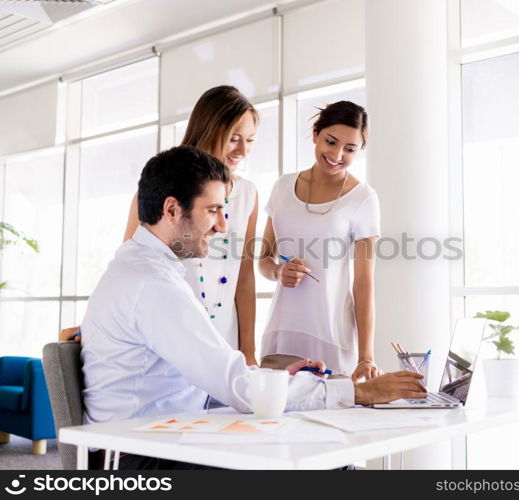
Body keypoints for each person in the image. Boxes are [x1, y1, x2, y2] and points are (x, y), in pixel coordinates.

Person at [80, 146, 426, 470]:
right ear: (172, 209)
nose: (222, 226)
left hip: (161, 439)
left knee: (311, 448)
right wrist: (358, 392)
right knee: (328, 466)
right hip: (139, 459)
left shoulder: (145, 270)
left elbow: (215, 381)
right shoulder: (152, 284)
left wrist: (276, 382)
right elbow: (236, 384)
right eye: (212, 210)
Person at [122, 86, 259, 365]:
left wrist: (248, 351)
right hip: (169, 337)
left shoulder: (248, 194)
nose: (243, 150)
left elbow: (245, 277)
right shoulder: (160, 189)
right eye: (234, 138)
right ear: (209, 129)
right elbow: (131, 266)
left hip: (224, 341)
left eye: (250, 140)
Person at [259, 101, 380, 381]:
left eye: (349, 149)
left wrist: (366, 357)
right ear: (315, 134)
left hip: (331, 335)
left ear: (359, 151)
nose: (337, 154)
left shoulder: (363, 199)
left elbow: (363, 284)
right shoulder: (282, 187)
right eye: (331, 141)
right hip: (282, 331)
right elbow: (264, 259)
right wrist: (278, 271)